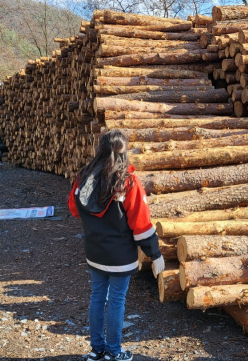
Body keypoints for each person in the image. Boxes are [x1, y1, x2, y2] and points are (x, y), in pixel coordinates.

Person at [68, 130, 164, 361]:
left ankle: (96, 350)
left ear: (99, 149)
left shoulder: (83, 178)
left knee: (97, 296)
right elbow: (141, 224)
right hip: (121, 256)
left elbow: (74, 209)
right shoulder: (128, 182)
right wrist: (156, 254)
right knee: (117, 300)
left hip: (94, 252)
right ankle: (113, 351)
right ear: (124, 152)